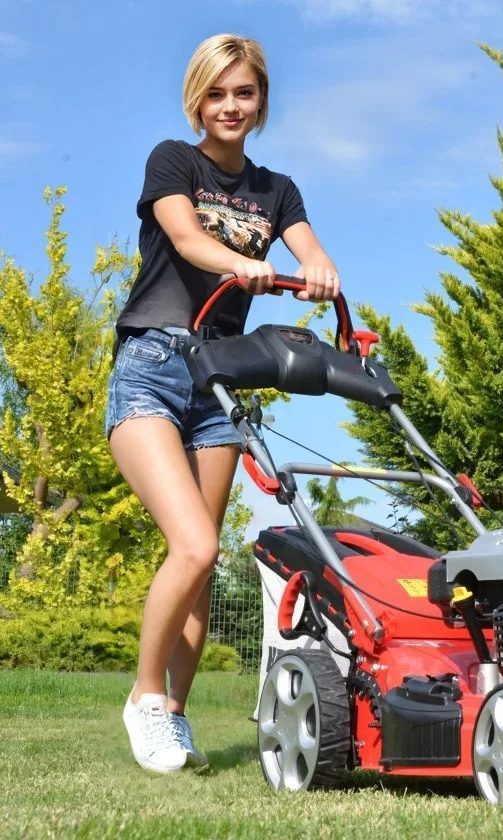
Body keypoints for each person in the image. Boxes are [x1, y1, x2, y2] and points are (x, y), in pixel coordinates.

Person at [106, 33, 341, 774]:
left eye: (243, 92)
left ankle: (176, 718)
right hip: (151, 365)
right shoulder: (174, 160)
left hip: (219, 384)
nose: (230, 106)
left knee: (202, 567)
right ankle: (145, 699)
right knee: (195, 546)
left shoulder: (278, 190)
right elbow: (183, 234)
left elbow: (312, 251)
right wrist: (246, 265)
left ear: (261, 99)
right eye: (217, 93)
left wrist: (319, 271)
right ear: (197, 100)